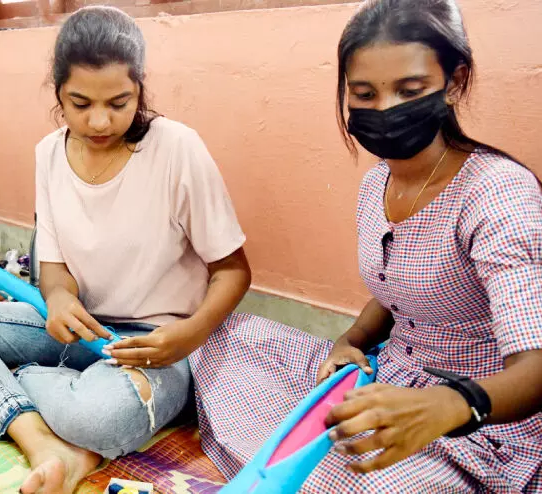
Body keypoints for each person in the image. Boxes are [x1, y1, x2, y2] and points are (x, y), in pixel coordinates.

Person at [190, 0, 542, 491]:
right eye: (364, 93)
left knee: (345, 480)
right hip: (386, 375)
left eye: (409, 90)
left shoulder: (497, 193)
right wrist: (349, 342)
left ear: (455, 82)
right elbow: (396, 291)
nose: (385, 109)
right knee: (225, 339)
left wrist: (451, 404)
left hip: (476, 421)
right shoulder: (377, 183)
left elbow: (535, 368)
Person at [0, 6, 251, 494]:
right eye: (79, 103)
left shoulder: (177, 148)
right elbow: (53, 270)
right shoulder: (48, 153)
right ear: (58, 94)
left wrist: (187, 337)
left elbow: (234, 271)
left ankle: (2, 379)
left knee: (101, 418)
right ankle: (41, 442)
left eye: (119, 102)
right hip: (76, 331)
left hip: (153, 343)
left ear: (140, 88)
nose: (99, 121)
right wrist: (60, 300)